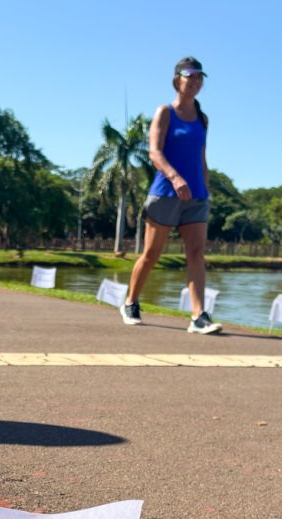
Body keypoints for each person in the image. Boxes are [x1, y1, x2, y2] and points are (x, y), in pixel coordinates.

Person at [120, 57, 222, 334]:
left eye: (200, 77)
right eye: (190, 76)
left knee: (196, 254)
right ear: (177, 79)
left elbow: (201, 157)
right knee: (152, 254)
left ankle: (199, 316)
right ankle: (130, 302)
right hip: (166, 192)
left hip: (196, 196)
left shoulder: (203, 119)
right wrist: (175, 178)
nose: (195, 82)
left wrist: (206, 187)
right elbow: (155, 152)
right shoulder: (165, 112)